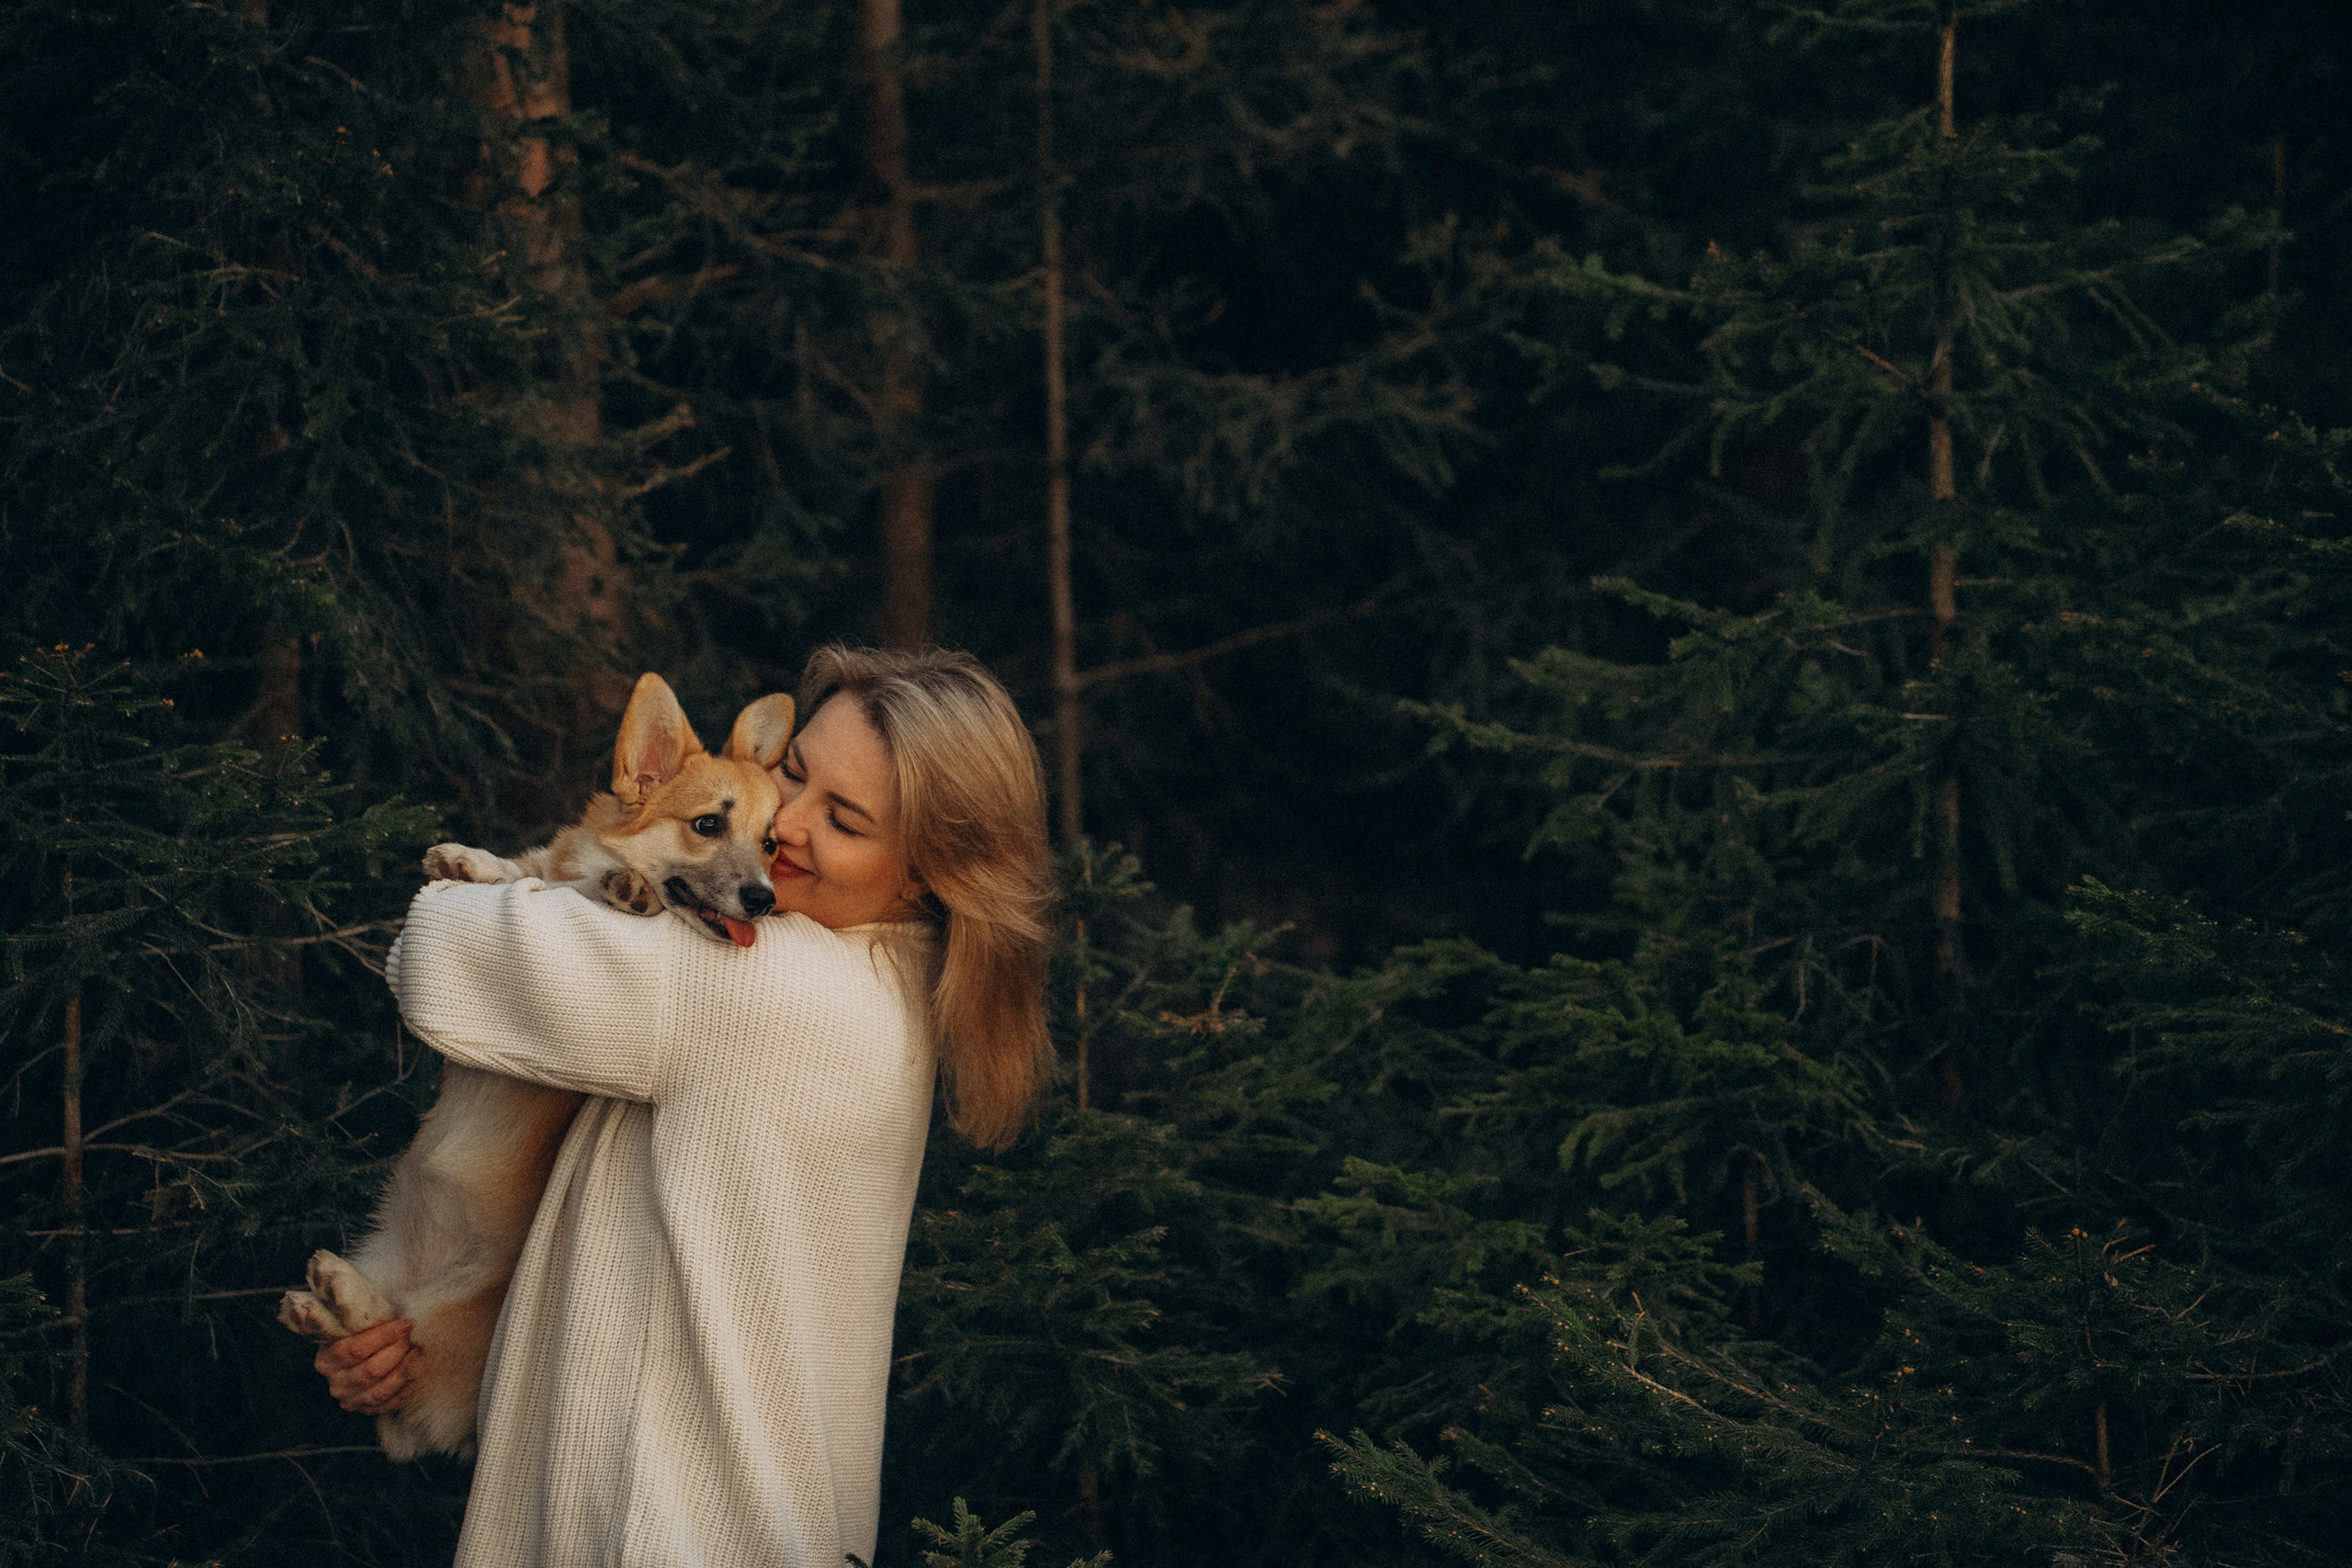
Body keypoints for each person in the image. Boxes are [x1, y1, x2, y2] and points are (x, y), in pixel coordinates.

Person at [311, 645, 1055, 1567]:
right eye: (792, 775)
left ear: (924, 875)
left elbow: (437, 952)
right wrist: (434, 1339)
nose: (782, 827)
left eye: (847, 819)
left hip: (658, 1530)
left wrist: (543, 877)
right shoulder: (889, 994)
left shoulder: (752, 982)